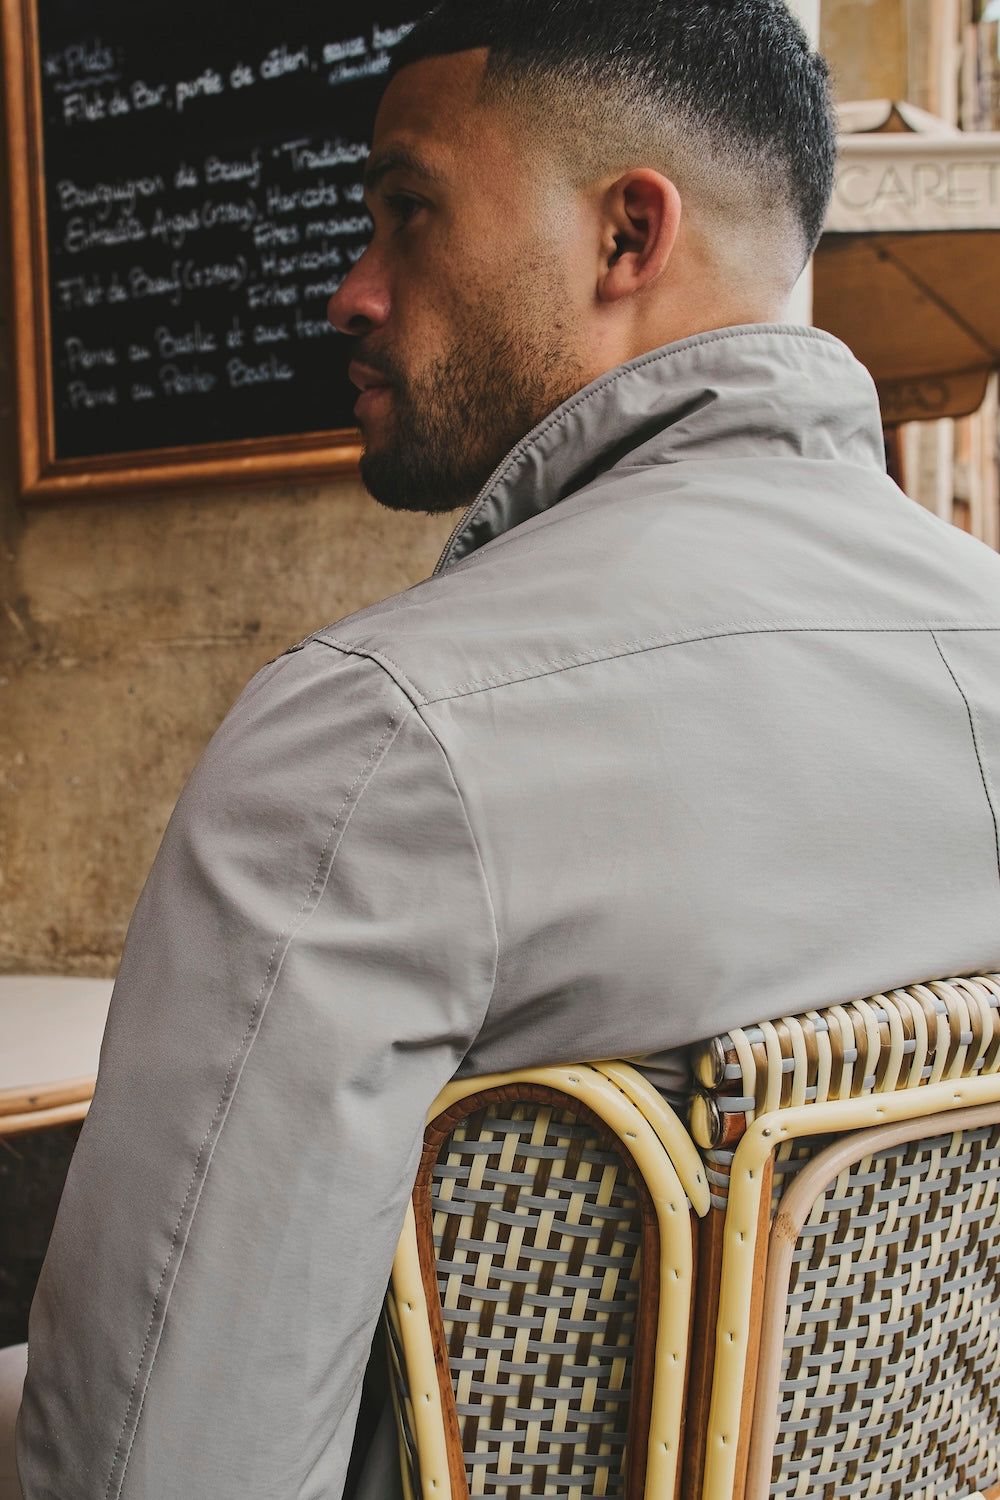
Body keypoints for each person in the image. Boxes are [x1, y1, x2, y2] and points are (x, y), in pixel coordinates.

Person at [15, 1, 1000, 1496]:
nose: (351, 291)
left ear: (626, 236)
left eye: (407, 211)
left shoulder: (375, 743)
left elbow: (160, 1462)